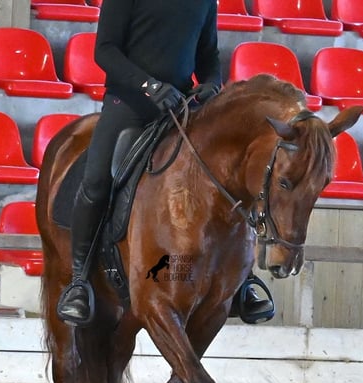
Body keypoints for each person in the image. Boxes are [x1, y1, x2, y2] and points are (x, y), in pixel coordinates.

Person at [56, 0, 274, 326]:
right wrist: (149, 86)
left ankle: (243, 280)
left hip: (182, 103)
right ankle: (79, 281)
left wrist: (212, 85)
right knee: (98, 180)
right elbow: (105, 51)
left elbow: (208, 55)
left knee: (230, 174)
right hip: (128, 102)